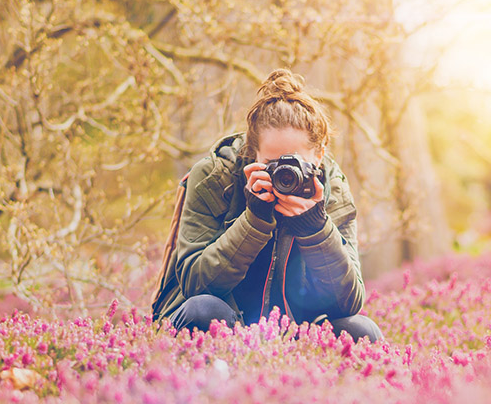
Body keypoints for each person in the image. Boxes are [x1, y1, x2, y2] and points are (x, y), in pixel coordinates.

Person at [151, 69, 383, 342]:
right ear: (253, 153)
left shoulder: (332, 192)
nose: (285, 174)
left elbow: (349, 302)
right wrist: (254, 222)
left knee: (362, 332)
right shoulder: (215, 177)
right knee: (205, 310)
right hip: (222, 321)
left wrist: (316, 229)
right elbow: (195, 284)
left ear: (319, 155)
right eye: (272, 164)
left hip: (293, 333)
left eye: (296, 164)